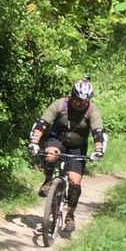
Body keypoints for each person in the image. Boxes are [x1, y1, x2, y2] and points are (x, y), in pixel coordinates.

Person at [27, 77, 107, 231]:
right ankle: (49, 180)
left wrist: (98, 150)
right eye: (77, 99)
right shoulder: (60, 104)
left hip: (77, 146)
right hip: (57, 139)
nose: (80, 103)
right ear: (72, 95)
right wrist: (34, 142)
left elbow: (98, 132)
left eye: (84, 101)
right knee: (50, 155)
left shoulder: (92, 110)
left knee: (74, 180)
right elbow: (42, 123)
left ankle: (70, 215)